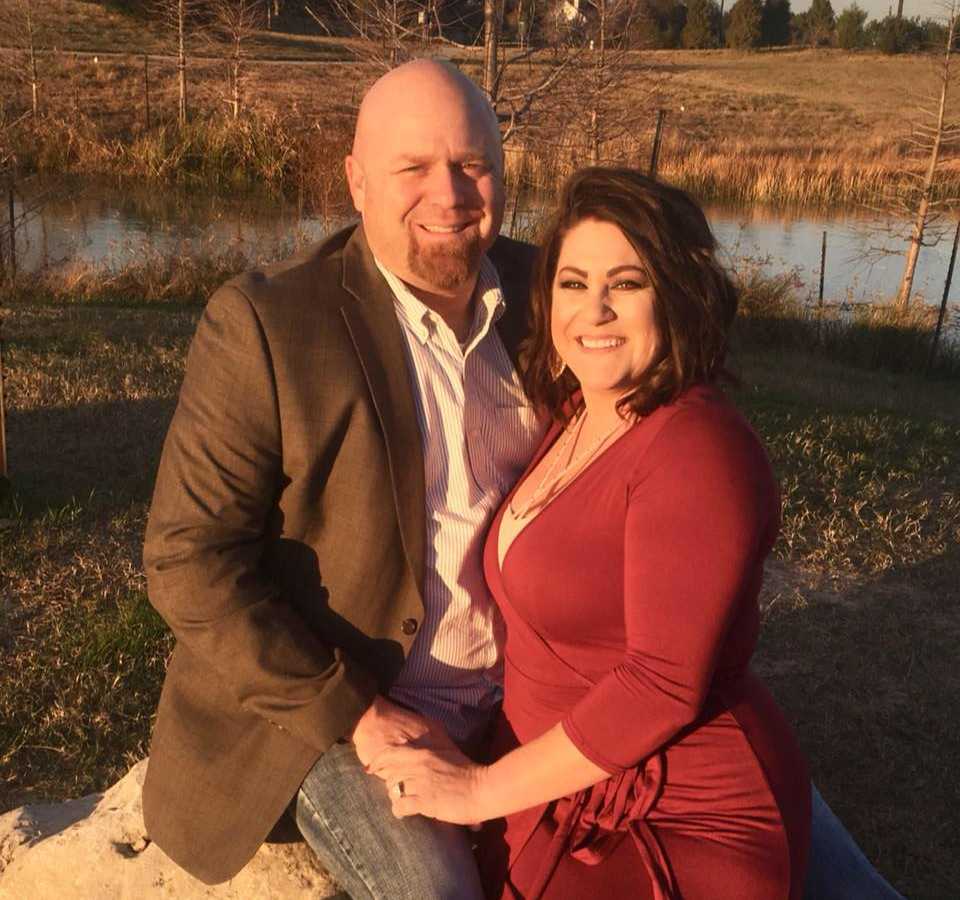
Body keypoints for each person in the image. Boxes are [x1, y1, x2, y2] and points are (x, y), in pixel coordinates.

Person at [141, 58, 904, 900]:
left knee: (815, 856)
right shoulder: (269, 326)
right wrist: (357, 713)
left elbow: (665, 412)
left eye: (473, 165)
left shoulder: (552, 291)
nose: (450, 194)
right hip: (349, 708)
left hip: (538, 702)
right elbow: (188, 561)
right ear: (356, 181)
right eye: (413, 168)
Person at [366, 167, 811, 898]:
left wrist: (478, 791)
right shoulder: (580, 413)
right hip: (563, 780)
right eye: (573, 283)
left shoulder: (697, 449)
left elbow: (661, 685)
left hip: (678, 817)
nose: (594, 311)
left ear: (677, 294)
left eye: (626, 284)